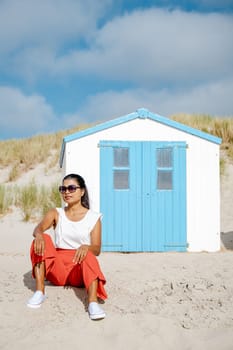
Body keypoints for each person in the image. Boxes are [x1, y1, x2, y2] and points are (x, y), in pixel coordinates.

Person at [27, 173, 107, 320]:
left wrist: (86, 247)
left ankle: (93, 303)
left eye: (71, 188)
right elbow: (38, 229)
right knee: (42, 238)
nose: (66, 192)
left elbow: (97, 249)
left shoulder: (93, 217)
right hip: (57, 269)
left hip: (78, 268)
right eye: (63, 189)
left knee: (89, 255)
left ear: (82, 191)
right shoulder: (56, 213)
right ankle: (40, 292)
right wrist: (38, 234)